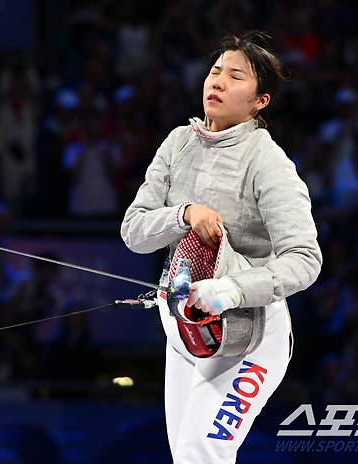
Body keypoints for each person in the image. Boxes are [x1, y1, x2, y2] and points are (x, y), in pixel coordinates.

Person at [121, 32, 322, 463]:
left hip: (249, 334)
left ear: (260, 102)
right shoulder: (179, 143)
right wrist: (185, 213)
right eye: (215, 72)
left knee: (201, 450)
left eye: (235, 77)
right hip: (184, 329)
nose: (218, 82)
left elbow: (305, 261)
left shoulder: (269, 163)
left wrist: (229, 290)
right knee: (187, 456)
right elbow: (134, 232)